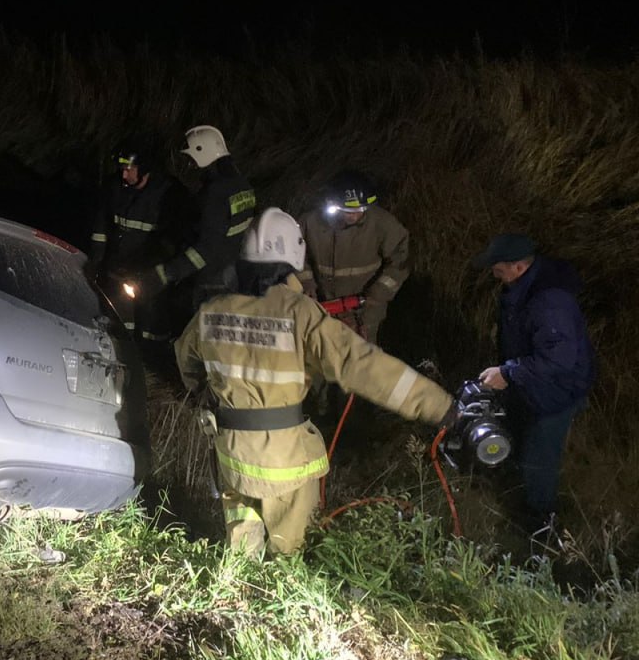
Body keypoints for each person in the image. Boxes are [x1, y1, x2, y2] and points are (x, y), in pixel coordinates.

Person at [174, 207, 456, 558]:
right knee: (288, 555)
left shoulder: (211, 311)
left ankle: (238, 596)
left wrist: (210, 393)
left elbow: (187, 364)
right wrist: (438, 405)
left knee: (241, 548)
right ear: (293, 257)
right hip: (286, 462)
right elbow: (363, 366)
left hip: (232, 454)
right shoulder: (299, 312)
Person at [473, 233, 595, 535]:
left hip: (556, 392)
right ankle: (521, 495)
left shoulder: (549, 302)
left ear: (518, 267)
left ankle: (542, 528)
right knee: (520, 440)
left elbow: (558, 360)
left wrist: (508, 373)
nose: (493, 272)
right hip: (533, 384)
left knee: (539, 459)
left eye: (498, 266)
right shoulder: (522, 287)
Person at [137, 125, 256, 310]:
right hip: (235, 277)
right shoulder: (243, 185)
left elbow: (204, 250)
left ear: (203, 153)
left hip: (212, 282)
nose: (191, 165)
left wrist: (164, 274)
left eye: (191, 159)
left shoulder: (215, 194)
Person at [87, 139, 191, 345]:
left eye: (128, 169)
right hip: (117, 271)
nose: (124, 175)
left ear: (144, 168)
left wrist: (152, 274)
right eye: (121, 169)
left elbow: (173, 240)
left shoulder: (168, 194)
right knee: (119, 324)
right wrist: (96, 263)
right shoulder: (114, 188)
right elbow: (101, 229)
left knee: (152, 326)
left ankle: (154, 359)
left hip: (150, 276)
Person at [297, 171, 408, 345]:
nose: (354, 216)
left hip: (366, 313)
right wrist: (307, 283)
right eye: (348, 211)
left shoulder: (382, 224)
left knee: (364, 362)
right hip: (323, 309)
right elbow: (295, 253)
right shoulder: (310, 223)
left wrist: (379, 292)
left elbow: (401, 260)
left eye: (360, 210)